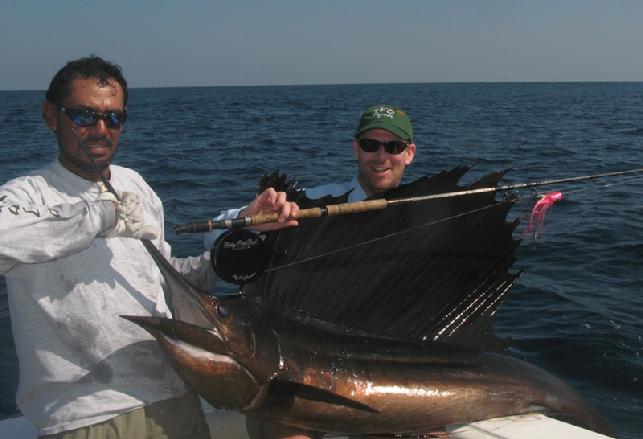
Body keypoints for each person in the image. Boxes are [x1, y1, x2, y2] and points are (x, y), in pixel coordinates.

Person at [0, 55, 297, 439]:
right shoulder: (26, 195)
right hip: (88, 416)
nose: (100, 128)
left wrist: (245, 234)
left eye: (114, 117)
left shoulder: (134, 185)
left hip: (174, 400)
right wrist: (96, 217)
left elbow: (164, 280)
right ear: (50, 116)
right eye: (83, 115)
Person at [203, 104, 416, 439]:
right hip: (296, 371)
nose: (381, 156)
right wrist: (254, 217)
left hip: (388, 375)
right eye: (370, 145)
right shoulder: (314, 204)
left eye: (393, 147)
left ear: (409, 153)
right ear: (355, 148)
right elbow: (214, 236)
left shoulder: (428, 218)